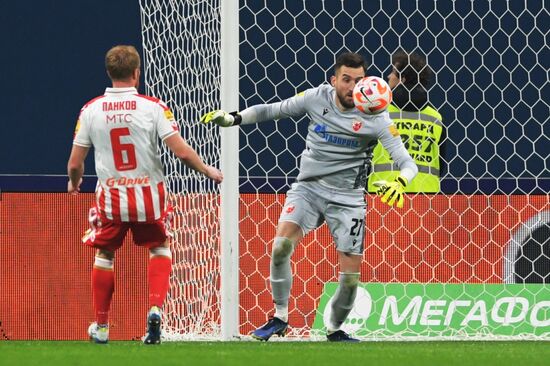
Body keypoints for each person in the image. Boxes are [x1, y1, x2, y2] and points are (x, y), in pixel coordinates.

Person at [200, 52, 418, 342]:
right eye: (346, 80)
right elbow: (272, 110)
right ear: (334, 80)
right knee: (280, 247)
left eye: (358, 80)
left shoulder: (377, 117)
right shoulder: (317, 98)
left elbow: (408, 163)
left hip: (348, 198)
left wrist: (401, 181)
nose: (352, 87)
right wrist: (234, 118)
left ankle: (335, 329)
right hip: (309, 188)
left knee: (351, 278)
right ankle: (279, 317)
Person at [67, 45, 223, 345]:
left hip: (111, 198)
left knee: (105, 254)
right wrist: (207, 170)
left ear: (109, 73)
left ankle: (101, 326)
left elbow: (75, 162)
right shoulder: (153, 107)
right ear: (137, 73)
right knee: (160, 246)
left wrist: (74, 183)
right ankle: (155, 310)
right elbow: (179, 151)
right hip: (149, 196)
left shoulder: (91, 109)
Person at [368, 50, 443, 193]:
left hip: (382, 194)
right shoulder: (435, 118)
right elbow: (441, 164)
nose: (389, 76)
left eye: (393, 72)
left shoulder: (379, 113)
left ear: (402, 79)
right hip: (427, 199)